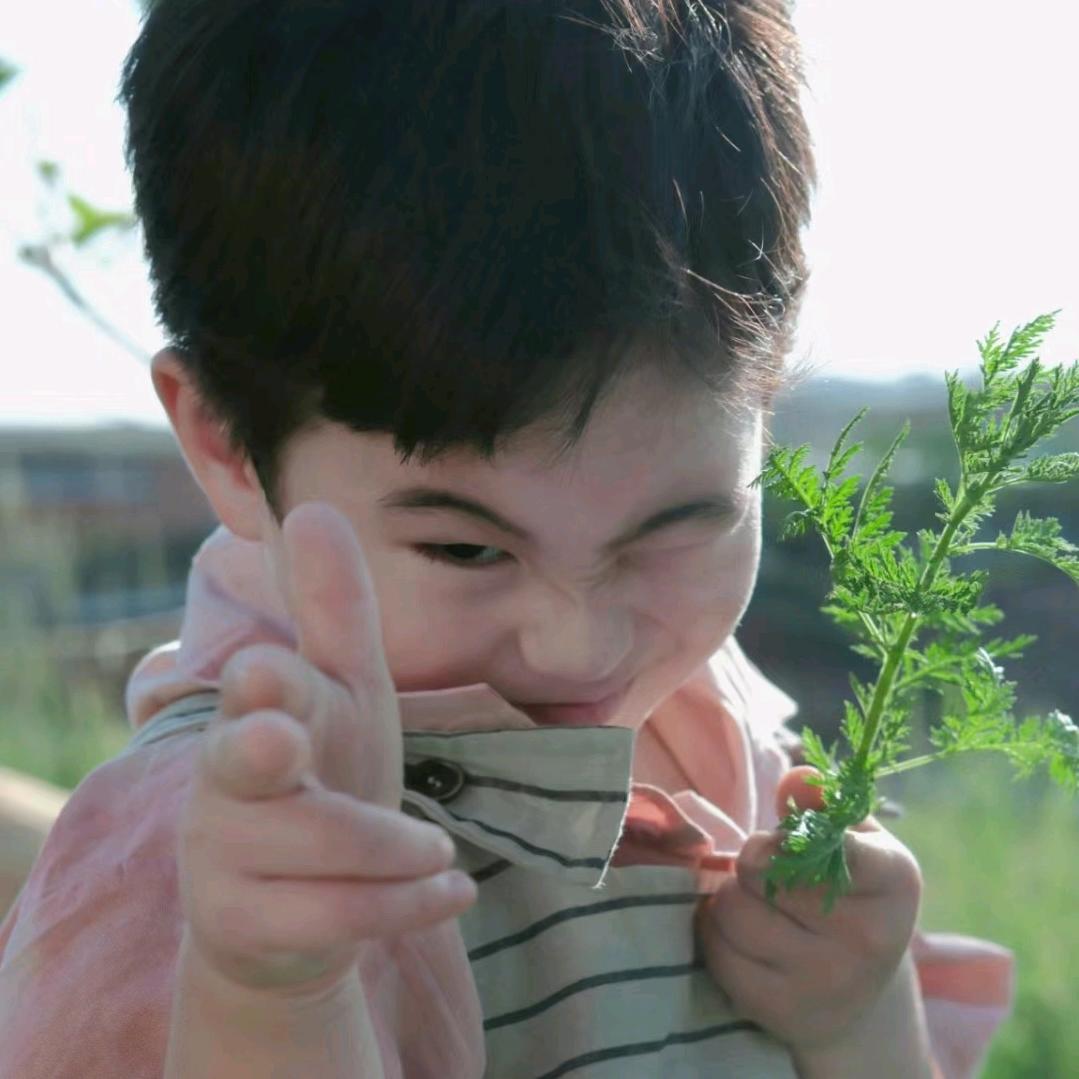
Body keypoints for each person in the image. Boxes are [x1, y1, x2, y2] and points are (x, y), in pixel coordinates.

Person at [0, 1, 1014, 1076]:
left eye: (675, 528)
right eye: (466, 550)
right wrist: (271, 997)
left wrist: (858, 1017)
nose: (578, 644)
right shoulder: (200, 863)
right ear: (224, 441)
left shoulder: (700, 705)